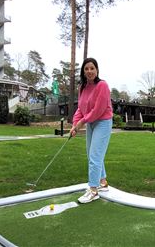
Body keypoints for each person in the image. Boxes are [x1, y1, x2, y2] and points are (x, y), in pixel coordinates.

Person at [70, 58, 113, 204]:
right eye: (86, 68)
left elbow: (98, 110)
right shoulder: (82, 87)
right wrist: (75, 124)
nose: (89, 71)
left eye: (92, 68)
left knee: (95, 156)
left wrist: (82, 122)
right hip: (90, 122)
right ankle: (103, 183)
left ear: (97, 70)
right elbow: (81, 108)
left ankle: (93, 190)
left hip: (103, 122)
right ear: (83, 71)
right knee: (92, 155)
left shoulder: (102, 85)